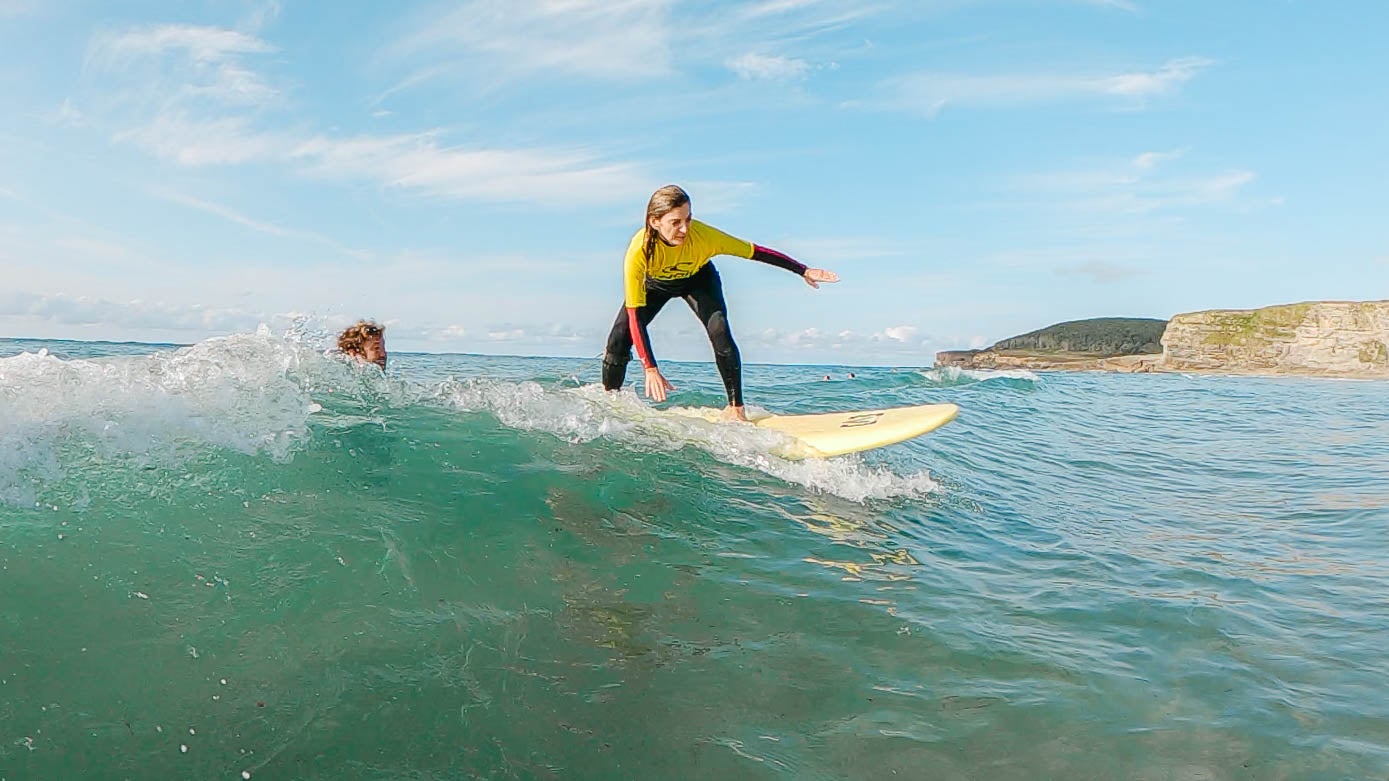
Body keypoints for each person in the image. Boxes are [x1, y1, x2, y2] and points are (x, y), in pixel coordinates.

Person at [602, 185, 838, 420]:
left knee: (720, 330)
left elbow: (755, 252)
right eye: (675, 222)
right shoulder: (639, 250)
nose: (685, 229)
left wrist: (803, 270)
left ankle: (736, 409)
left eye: (688, 219)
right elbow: (635, 316)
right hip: (656, 285)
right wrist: (650, 368)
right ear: (655, 222)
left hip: (698, 280)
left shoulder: (705, 237)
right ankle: (610, 403)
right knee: (619, 338)